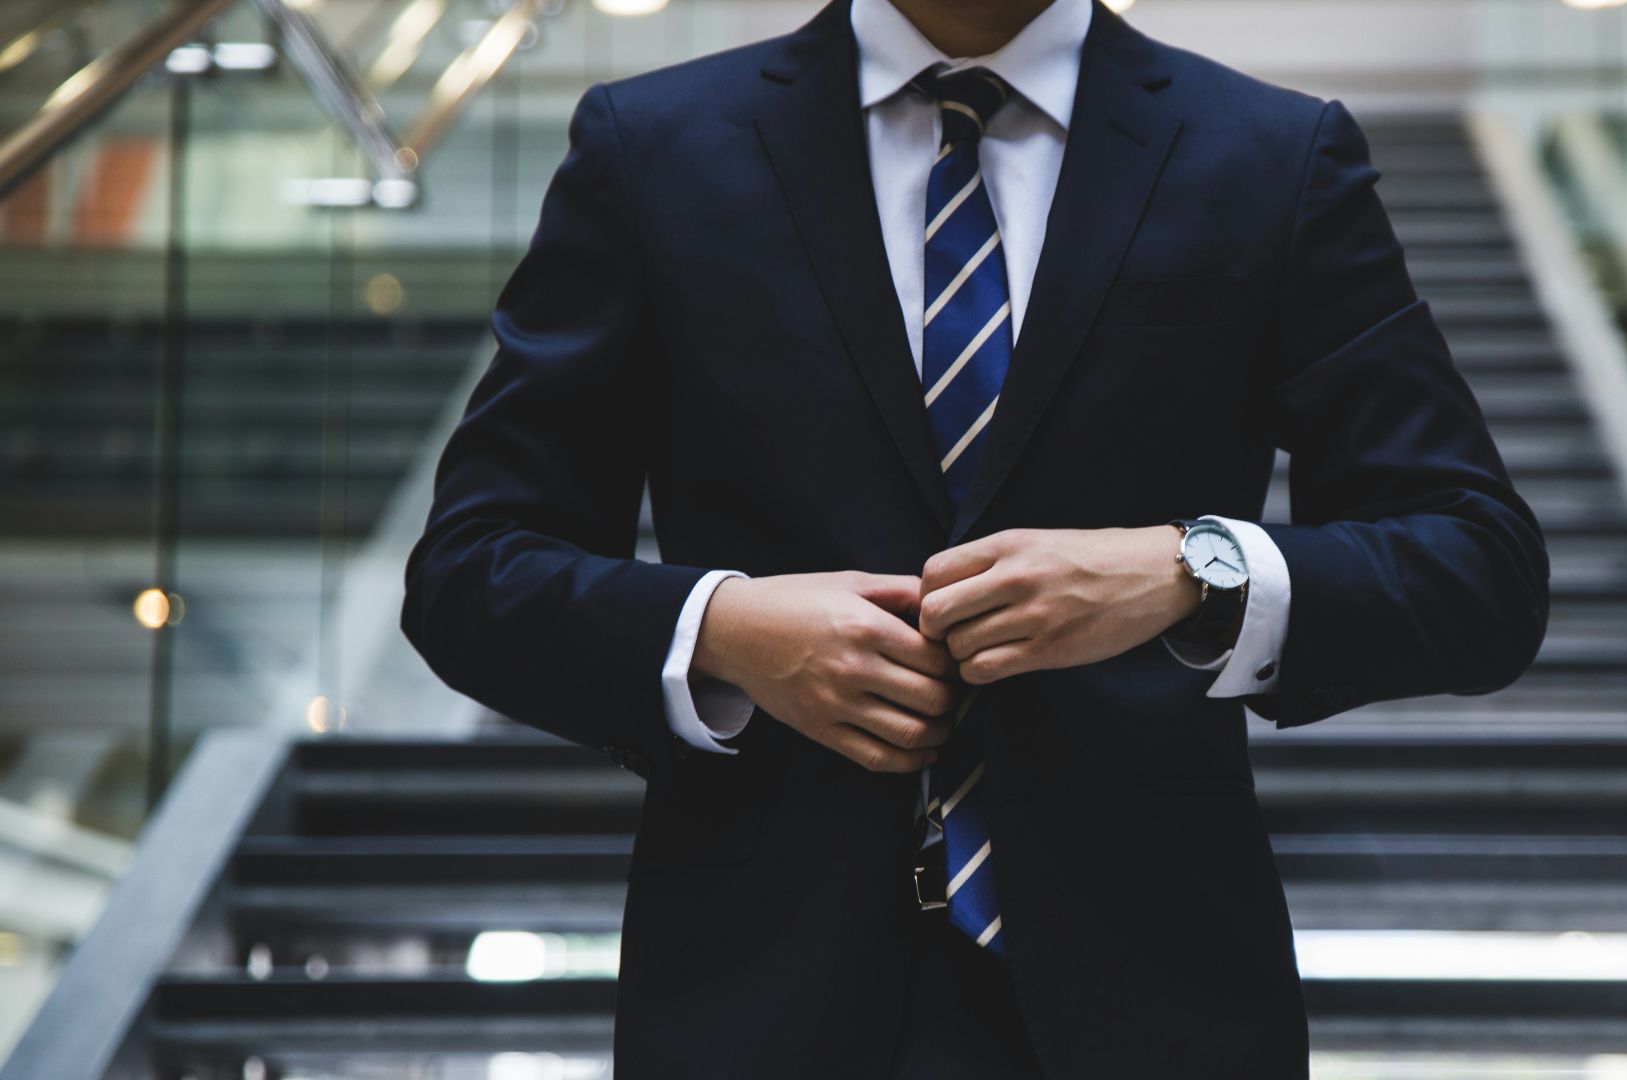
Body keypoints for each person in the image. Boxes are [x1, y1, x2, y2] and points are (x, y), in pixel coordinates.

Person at [400, 0, 1550, 1075]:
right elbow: (472, 567)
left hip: (1158, 999)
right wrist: (723, 630)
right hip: (757, 996)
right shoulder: (651, 148)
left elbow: (1478, 564)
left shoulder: (1272, 156)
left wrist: (1190, 569)